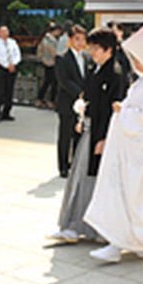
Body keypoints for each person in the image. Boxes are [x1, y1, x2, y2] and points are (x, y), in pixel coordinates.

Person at [85, 20, 143, 263]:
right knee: (123, 195)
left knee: (141, 199)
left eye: (138, 58)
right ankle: (118, 241)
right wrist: (123, 111)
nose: (135, 63)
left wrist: (122, 112)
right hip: (131, 153)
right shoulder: (142, 84)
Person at [50, 27, 124, 243]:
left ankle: (93, 228)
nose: (91, 51)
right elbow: (91, 101)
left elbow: (111, 110)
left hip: (100, 135)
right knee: (80, 178)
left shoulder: (115, 73)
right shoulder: (97, 68)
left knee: (92, 180)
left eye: (95, 48)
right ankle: (74, 225)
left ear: (108, 49)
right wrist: (82, 120)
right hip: (90, 131)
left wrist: (103, 138)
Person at [55, 25, 91, 178]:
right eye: (77, 39)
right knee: (65, 136)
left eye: (83, 39)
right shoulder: (62, 57)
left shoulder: (88, 57)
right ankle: (63, 166)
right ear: (70, 40)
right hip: (67, 102)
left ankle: (75, 164)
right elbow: (64, 81)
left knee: (79, 135)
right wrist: (80, 93)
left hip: (83, 105)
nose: (80, 42)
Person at [0, 26, 21, 122]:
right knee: (0, 91)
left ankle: (6, 112)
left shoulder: (13, 42)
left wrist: (13, 64)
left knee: (9, 90)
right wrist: (7, 65)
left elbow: (17, 54)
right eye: (2, 31)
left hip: (12, 67)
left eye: (6, 31)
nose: (5, 33)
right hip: (1, 67)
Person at [35, 23, 59, 109]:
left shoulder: (44, 38)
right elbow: (53, 52)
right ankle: (51, 102)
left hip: (46, 62)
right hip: (53, 63)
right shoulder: (52, 40)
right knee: (54, 84)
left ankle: (39, 100)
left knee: (46, 82)